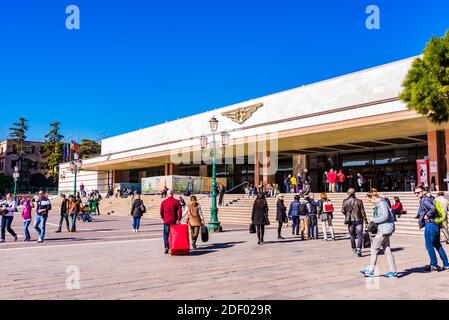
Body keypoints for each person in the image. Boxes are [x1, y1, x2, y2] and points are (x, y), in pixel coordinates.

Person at [360, 190, 397, 278]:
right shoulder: (381, 203)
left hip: (384, 230)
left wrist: (373, 220)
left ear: (373, 197)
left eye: (369, 200)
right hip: (385, 229)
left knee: (374, 249)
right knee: (387, 250)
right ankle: (393, 272)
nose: (370, 202)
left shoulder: (381, 204)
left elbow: (385, 216)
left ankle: (371, 270)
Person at [415, 185, 449, 271]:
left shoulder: (425, 200)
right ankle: (446, 264)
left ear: (423, 192)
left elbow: (433, 208)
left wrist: (427, 215)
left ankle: (434, 265)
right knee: (438, 245)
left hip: (430, 225)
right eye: (415, 193)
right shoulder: (430, 198)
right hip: (435, 224)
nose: (416, 194)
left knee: (429, 245)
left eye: (418, 192)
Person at [342, 188, 367, 256]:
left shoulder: (345, 201)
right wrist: (366, 220)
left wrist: (347, 214)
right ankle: (359, 249)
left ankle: (354, 248)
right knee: (360, 235)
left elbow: (343, 211)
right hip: (359, 220)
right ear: (354, 193)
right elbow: (362, 212)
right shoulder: (359, 201)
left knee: (352, 236)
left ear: (348, 193)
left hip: (350, 220)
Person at [160, 190, 182, 254]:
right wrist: (179, 219)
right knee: (173, 235)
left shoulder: (164, 202)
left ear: (167, 194)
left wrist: (163, 218)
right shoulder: (176, 202)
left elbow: (161, 212)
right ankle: (173, 247)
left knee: (166, 235)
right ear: (172, 194)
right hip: (173, 221)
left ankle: (166, 246)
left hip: (166, 221)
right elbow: (179, 212)